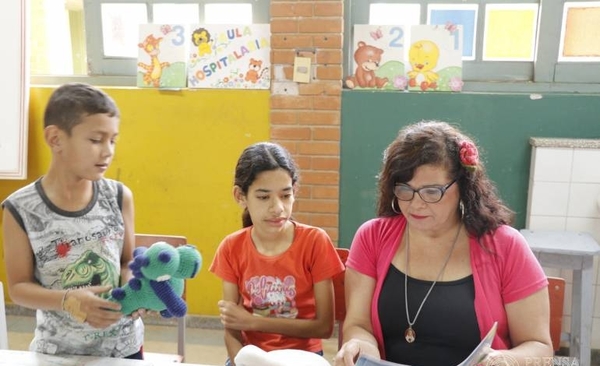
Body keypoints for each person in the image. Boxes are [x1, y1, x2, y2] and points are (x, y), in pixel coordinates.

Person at [334, 121, 553, 366]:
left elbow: (540, 348)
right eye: (405, 189)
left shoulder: (504, 246)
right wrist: (361, 346)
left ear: (463, 187)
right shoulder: (372, 237)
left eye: (432, 192)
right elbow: (358, 324)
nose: (416, 204)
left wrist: (503, 360)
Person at [1, 83, 145, 358]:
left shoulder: (119, 196)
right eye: (95, 140)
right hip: (58, 352)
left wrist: (133, 287)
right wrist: (68, 300)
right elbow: (19, 288)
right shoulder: (20, 209)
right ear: (55, 139)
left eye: (112, 140)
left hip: (124, 348)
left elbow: (127, 261)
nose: (107, 151)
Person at [209, 142, 345, 366]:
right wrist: (240, 361)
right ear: (240, 196)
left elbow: (323, 327)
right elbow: (232, 331)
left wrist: (253, 322)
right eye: (264, 197)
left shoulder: (314, 241)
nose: (277, 208)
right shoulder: (231, 248)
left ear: (295, 192)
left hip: (304, 358)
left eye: (285, 195)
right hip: (252, 358)